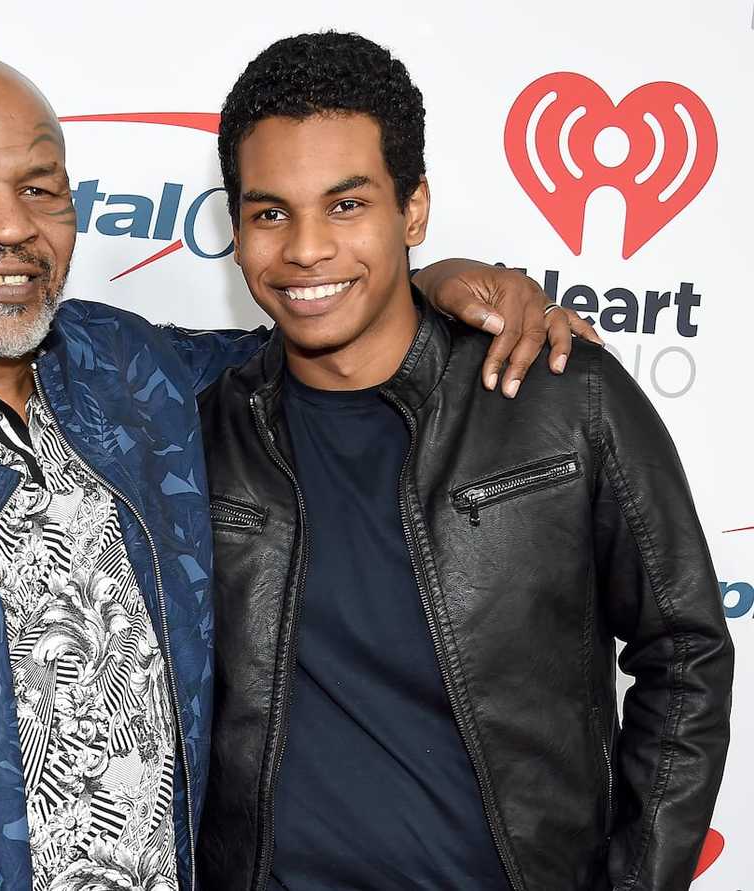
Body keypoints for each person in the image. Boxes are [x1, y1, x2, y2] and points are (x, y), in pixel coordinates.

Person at [0, 51, 595, 890]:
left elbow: (322, 344)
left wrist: (427, 276)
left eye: (40, 188)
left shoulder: (126, 373)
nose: (8, 229)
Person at [196, 32, 733, 891]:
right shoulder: (195, 424)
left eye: (345, 205)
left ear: (413, 210)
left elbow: (687, 650)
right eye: (270, 213)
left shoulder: (563, 394)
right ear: (238, 228)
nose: (304, 248)